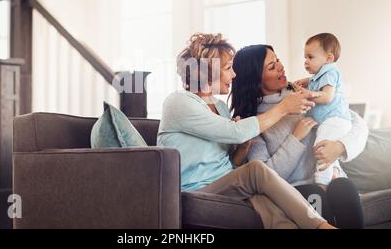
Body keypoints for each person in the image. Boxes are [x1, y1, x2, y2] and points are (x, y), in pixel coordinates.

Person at [157, 33, 335, 229]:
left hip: (227, 185)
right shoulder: (179, 102)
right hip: (194, 191)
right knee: (256, 170)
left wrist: (242, 150)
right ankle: (321, 226)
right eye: (227, 69)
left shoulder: (220, 107)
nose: (233, 75)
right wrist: (284, 107)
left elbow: (230, 164)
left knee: (267, 204)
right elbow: (236, 131)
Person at [230, 44, 368, 228]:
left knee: (344, 187)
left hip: (331, 180)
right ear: (256, 80)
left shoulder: (307, 92)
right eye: (272, 67)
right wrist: (294, 139)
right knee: (314, 194)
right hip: (294, 192)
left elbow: (357, 124)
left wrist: (340, 147)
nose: (281, 66)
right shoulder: (254, 121)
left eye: (277, 60)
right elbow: (263, 177)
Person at [293, 33, 352, 186]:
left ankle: (323, 181)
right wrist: (307, 81)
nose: (306, 62)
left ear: (329, 58)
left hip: (335, 121)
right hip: (334, 121)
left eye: (310, 57)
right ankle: (336, 174)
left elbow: (327, 97)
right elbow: (318, 81)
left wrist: (309, 94)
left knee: (321, 147)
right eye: (305, 57)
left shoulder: (330, 72)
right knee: (327, 149)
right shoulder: (322, 74)